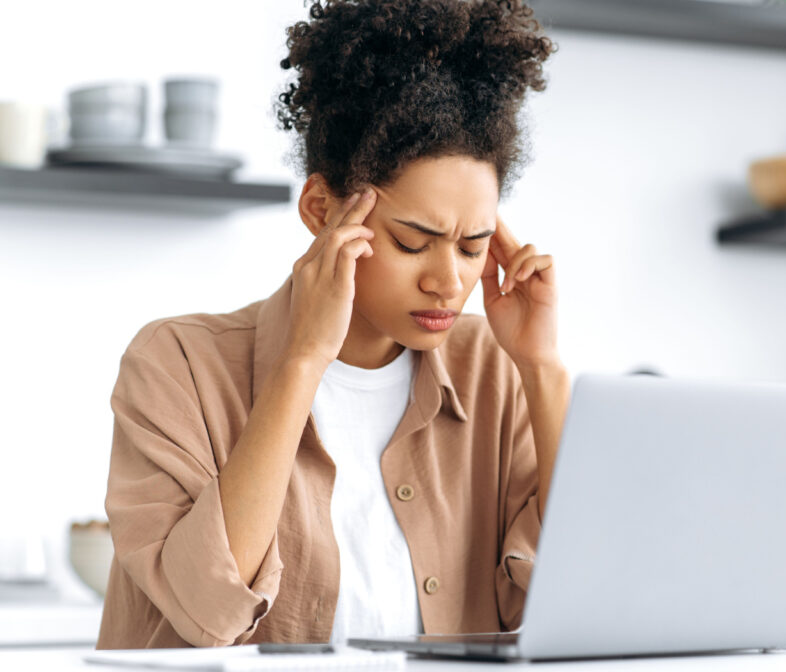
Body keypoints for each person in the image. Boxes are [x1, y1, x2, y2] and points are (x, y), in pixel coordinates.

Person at [96, 0, 564, 649]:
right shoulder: (176, 363)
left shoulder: (493, 368)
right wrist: (302, 362)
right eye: (412, 241)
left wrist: (541, 369)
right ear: (321, 208)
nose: (448, 281)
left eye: (472, 245)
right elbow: (208, 610)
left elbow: (576, 604)